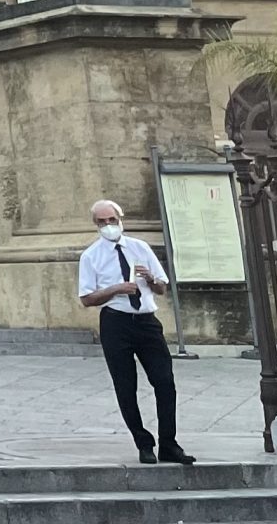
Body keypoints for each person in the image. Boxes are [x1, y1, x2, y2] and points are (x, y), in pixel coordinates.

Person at [79, 199, 194, 466]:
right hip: (115, 321)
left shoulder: (140, 248)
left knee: (164, 381)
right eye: (102, 222)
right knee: (125, 385)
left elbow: (162, 286)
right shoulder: (91, 256)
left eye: (112, 220)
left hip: (145, 320)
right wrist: (115, 289)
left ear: (121, 219)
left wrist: (150, 280)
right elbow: (86, 298)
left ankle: (169, 442)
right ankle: (143, 443)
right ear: (96, 225)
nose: (108, 225)